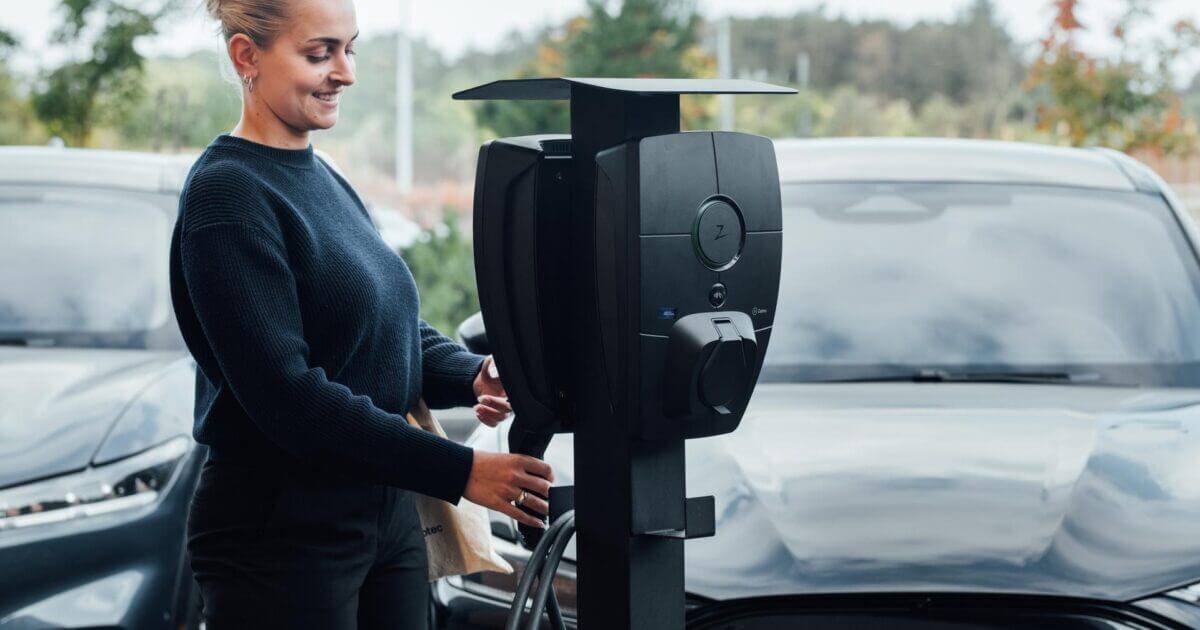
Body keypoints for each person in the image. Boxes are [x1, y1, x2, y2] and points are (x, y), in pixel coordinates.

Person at [168, 1, 553, 627]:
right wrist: (460, 470)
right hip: (280, 533)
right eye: (320, 53)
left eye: (351, 49)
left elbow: (381, 326)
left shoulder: (322, 174)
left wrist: (470, 374)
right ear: (247, 56)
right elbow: (289, 398)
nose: (345, 72)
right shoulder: (227, 195)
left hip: (385, 515)